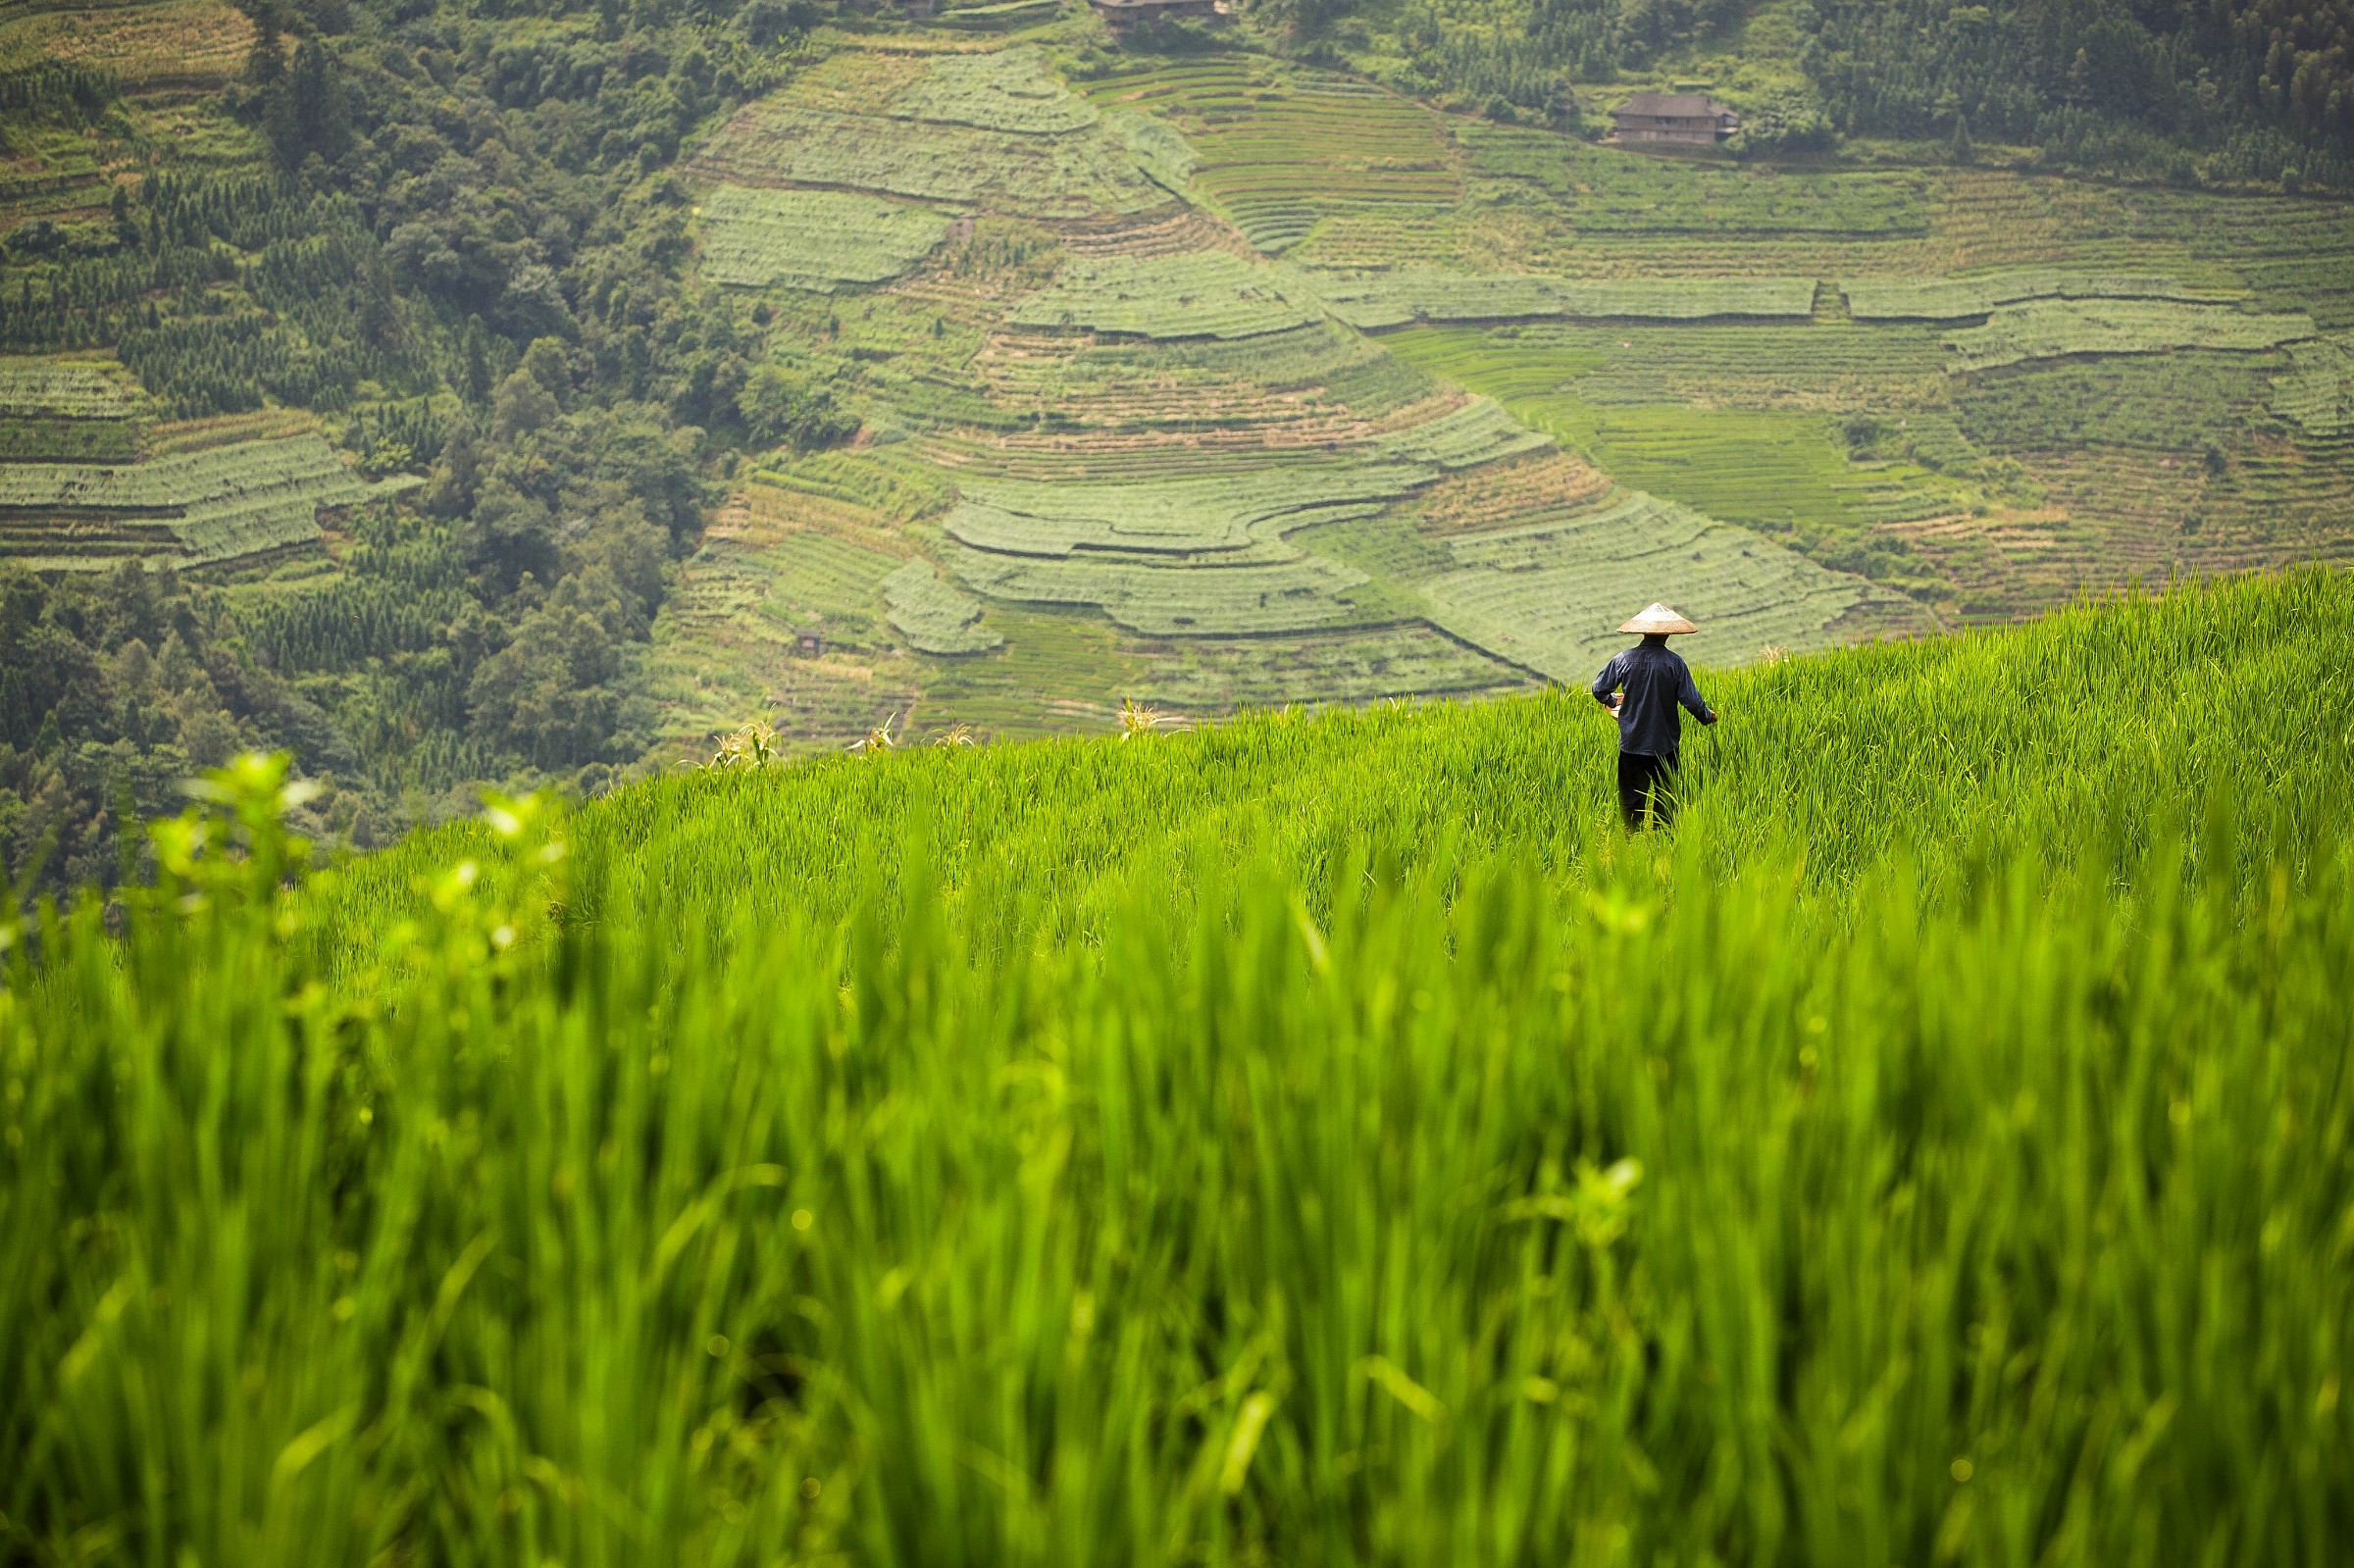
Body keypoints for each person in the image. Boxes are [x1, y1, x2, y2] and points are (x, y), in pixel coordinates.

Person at [1591, 603, 1716, 831]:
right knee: (1666, 800)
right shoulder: (1675, 663)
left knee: (1631, 802)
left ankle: (1632, 847)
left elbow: (1598, 688)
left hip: (1632, 744)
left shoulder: (1623, 660)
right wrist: (1708, 716)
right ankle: (1663, 846)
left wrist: (1611, 702)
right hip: (1665, 746)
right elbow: (1692, 701)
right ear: (1668, 633)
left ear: (1643, 631)